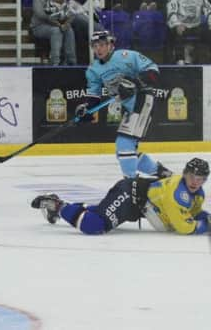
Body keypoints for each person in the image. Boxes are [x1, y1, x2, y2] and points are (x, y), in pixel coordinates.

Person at [31, 158, 210, 235]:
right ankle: (57, 205)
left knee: (99, 215)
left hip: (134, 205)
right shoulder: (176, 193)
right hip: (129, 194)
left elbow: (193, 214)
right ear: (185, 173)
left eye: (201, 179)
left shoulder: (197, 194)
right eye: (193, 177)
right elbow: (184, 228)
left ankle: (61, 206)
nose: (196, 182)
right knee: (94, 225)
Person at [75, 30, 165, 178]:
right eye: (95, 45)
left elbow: (153, 72)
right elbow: (93, 97)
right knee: (124, 151)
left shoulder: (127, 56)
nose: (98, 49)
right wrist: (86, 110)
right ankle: (161, 173)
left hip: (142, 99)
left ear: (111, 45)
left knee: (124, 143)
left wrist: (134, 82)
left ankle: (130, 184)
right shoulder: (93, 70)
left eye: (102, 45)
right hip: (129, 108)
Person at [30, 0, 77, 65]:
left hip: (57, 24)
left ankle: (71, 61)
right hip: (39, 27)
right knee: (56, 31)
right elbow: (41, 15)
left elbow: (68, 13)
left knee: (69, 29)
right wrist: (59, 23)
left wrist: (65, 23)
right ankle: (55, 62)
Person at [166, 0, 211, 64]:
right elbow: (171, 13)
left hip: (196, 25)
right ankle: (180, 60)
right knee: (176, 33)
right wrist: (177, 24)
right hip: (181, 25)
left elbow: (209, 9)